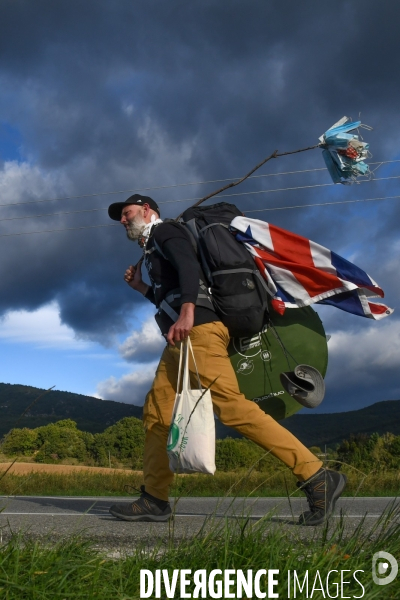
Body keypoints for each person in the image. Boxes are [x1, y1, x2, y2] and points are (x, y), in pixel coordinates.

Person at [107, 194, 347, 526]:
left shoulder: (166, 232)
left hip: (199, 332)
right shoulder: (152, 249)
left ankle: (317, 476)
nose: (122, 219)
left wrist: (189, 311)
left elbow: (190, 269)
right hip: (180, 339)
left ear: (147, 210)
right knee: (158, 412)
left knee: (233, 408)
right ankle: (155, 498)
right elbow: (172, 296)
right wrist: (142, 288)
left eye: (127, 212)